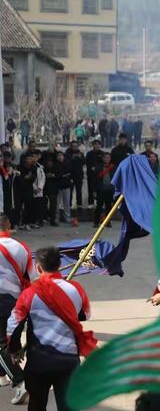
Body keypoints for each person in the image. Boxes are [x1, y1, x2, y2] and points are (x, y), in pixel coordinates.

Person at [7, 246, 97, 411]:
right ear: (59, 264)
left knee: (37, 404)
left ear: (38, 267)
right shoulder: (76, 289)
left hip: (39, 361)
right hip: (68, 360)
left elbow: (14, 324)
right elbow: (85, 314)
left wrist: (14, 349)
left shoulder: (29, 293)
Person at [0, 215, 31, 404]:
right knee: (10, 340)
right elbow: (32, 279)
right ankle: (3, 375)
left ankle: (19, 381)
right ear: (9, 225)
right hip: (16, 302)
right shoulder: (21, 248)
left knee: (1, 344)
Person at [16, 153, 36, 230]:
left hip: (29, 188)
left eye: (31, 159)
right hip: (20, 189)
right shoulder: (20, 167)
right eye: (28, 159)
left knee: (29, 206)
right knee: (18, 207)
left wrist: (29, 177)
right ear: (25, 160)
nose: (30, 160)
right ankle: (17, 223)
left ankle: (26, 223)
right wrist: (25, 178)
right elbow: (18, 178)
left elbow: (33, 178)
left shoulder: (33, 167)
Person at [94, 153, 115, 228]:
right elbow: (95, 178)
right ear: (103, 158)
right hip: (100, 190)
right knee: (99, 206)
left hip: (109, 190)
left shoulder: (113, 167)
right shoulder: (99, 167)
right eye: (105, 157)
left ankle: (108, 221)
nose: (107, 159)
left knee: (109, 206)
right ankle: (96, 222)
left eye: (108, 157)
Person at [66, 141, 85, 209]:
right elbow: (66, 162)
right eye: (73, 146)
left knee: (79, 190)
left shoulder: (80, 153)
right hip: (70, 175)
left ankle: (79, 204)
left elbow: (84, 162)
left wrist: (80, 157)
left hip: (79, 175)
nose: (74, 147)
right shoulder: (67, 153)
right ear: (70, 146)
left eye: (76, 146)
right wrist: (72, 157)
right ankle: (69, 205)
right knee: (70, 191)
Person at [86, 140, 105, 209]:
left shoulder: (103, 153)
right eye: (95, 144)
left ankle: (100, 203)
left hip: (101, 175)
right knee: (91, 189)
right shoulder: (89, 153)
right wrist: (92, 168)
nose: (97, 145)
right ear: (93, 145)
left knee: (100, 189)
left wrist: (98, 168)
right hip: (91, 175)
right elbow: (87, 163)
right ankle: (90, 203)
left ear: (100, 145)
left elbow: (104, 163)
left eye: (98, 144)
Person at [56, 152, 72, 224]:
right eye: (58, 156)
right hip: (58, 186)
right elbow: (57, 174)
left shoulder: (67, 164)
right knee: (57, 204)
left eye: (61, 155)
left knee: (67, 203)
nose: (60, 157)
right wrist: (62, 175)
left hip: (66, 186)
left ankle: (67, 217)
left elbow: (69, 172)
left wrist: (61, 175)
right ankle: (56, 218)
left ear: (63, 156)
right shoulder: (55, 164)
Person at [44, 156, 59, 227]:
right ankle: (45, 218)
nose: (49, 164)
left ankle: (53, 220)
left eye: (50, 163)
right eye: (48, 163)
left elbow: (59, 176)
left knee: (53, 205)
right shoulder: (44, 169)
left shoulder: (56, 168)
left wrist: (53, 175)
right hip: (45, 189)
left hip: (53, 189)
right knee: (44, 204)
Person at [32, 150, 46, 228]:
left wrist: (40, 187)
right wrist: (34, 188)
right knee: (32, 206)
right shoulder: (30, 167)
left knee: (39, 206)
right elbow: (31, 179)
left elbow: (43, 178)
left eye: (36, 157)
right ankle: (33, 221)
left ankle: (39, 221)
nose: (35, 158)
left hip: (39, 190)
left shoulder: (40, 167)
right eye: (33, 157)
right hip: (32, 189)